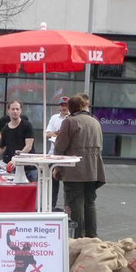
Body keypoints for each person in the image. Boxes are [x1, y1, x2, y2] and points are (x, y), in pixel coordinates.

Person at [54, 94, 106, 238]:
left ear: (71, 108)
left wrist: (57, 166)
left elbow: (60, 146)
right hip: (94, 169)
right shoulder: (95, 121)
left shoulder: (69, 121)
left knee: (75, 204)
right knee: (89, 203)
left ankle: (76, 238)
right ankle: (92, 237)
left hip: (74, 169)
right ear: (83, 106)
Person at [0, 101, 36, 181]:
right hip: (13, 169)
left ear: (21, 111)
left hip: (29, 168)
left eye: (17, 109)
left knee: (31, 193)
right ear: (8, 111)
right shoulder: (5, 129)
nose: (15, 111)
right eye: (13, 109)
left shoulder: (27, 126)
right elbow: (2, 146)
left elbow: (28, 146)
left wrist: (16, 159)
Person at [44, 96, 70, 209]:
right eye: (62, 105)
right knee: (53, 184)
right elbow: (47, 133)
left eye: (65, 105)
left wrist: (56, 134)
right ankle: (51, 207)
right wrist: (58, 135)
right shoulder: (54, 118)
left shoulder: (72, 118)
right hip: (53, 154)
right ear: (59, 106)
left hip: (66, 156)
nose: (63, 107)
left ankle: (68, 208)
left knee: (68, 185)